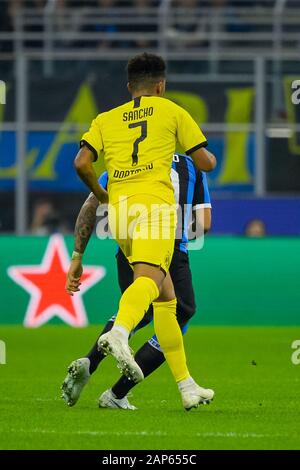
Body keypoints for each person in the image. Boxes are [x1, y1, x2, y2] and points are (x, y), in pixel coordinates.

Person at [66, 52, 216, 410]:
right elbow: (206, 160)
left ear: (130, 87)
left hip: (119, 214)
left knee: (166, 299)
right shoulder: (172, 111)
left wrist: (104, 195)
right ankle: (118, 334)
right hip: (156, 208)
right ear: (161, 86)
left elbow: (81, 163)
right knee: (149, 281)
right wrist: (197, 155)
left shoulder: (105, 119)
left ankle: (187, 386)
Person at [61, 152, 212, 409]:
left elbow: (89, 208)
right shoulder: (191, 166)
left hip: (127, 244)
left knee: (139, 312)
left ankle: (90, 362)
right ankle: (117, 393)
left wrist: (77, 254)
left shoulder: (124, 161)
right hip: (168, 245)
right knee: (180, 312)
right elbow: (205, 223)